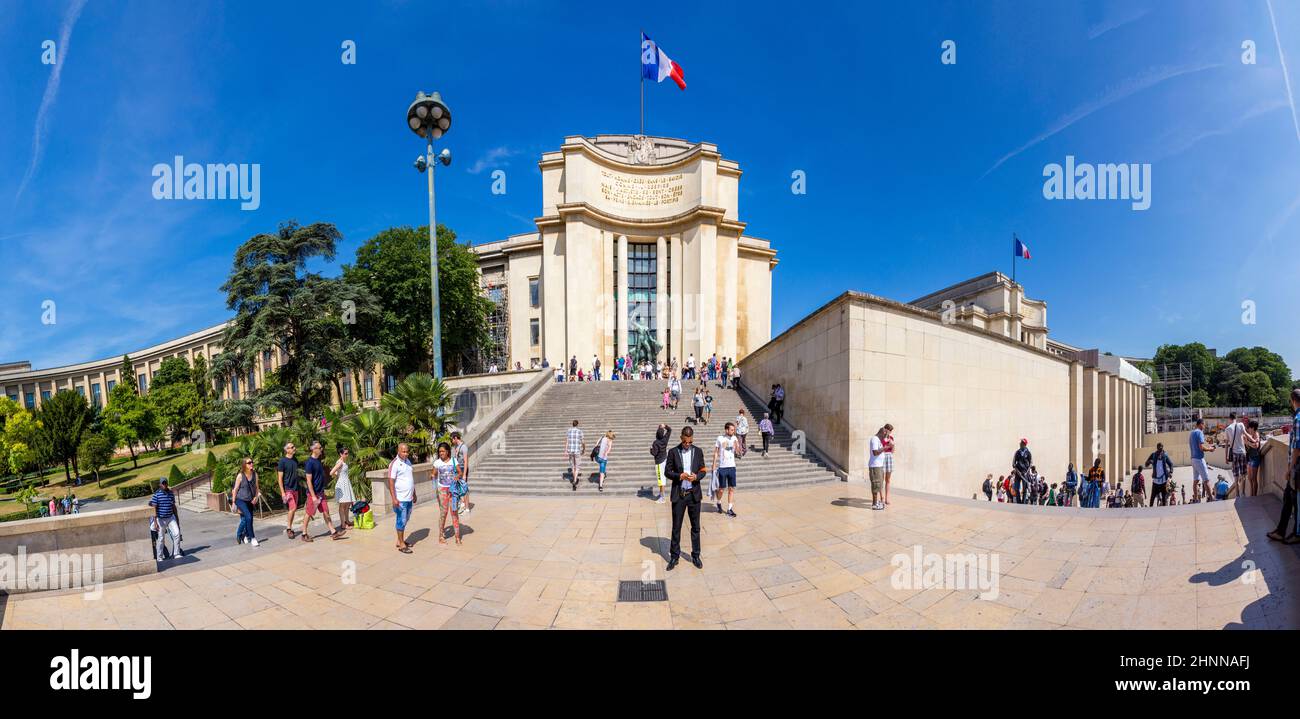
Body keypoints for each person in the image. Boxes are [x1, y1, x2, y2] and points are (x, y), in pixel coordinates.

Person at [664, 426, 707, 570]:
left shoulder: (698, 451)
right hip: (680, 494)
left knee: (696, 527)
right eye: (685, 442)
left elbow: (703, 470)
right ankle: (674, 557)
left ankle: (696, 555)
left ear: (692, 438)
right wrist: (679, 476)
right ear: (681, 438)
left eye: (690, 442)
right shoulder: (673, 452)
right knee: (676, 527)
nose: (687, 444)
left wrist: (697, 476)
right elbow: (667, 472)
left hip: (694, 494)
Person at [1267, 389, 1300, 543]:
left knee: (1294, 500)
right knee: (1289, 498)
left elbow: (1297, 448)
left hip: (1297, 467)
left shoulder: (1298, 418)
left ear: (1293, 401)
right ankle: (1282, 531)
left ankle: (1295, 533)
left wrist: (1288, 469)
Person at [301, 441, 346, 542]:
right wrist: (313, 496)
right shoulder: (309, 463)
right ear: (313, 449)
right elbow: (308, 481)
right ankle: (304, 534)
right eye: (319, 448)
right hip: (314, 494)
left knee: (326, 512)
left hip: (321, 492)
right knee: (309, 513)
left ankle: (333, 532)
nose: (321, 449)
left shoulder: (318, 461)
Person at [386, 443, 416, 553]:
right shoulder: (394, 464)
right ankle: (401, 544)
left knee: (406, 519)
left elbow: (410, 479)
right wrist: (394, 498)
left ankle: (400, 540)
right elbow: (391, 482)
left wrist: (414, 493)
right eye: (403, 451)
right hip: (400, 498)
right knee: (401, 520)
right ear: (398, 451)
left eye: (407, 451)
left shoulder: (408, 462)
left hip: (409, 497)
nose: (406, 453)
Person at [432, 442, 462, 545]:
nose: (441, 453)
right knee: (443, 513)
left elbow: (460, 472)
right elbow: (434, 474)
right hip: (442, 491)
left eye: (443, 451)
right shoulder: (437, 463)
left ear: (447, 451)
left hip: (453, 491)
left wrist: (457, 476)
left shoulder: (454, 461)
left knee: (454, 512)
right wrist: (432, 476)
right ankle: (441, 535)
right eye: (439, 451)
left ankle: (457, 537)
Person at [150, 478, 183, 560]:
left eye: (166, 483)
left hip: (171, 517)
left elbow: (174, 507)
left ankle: (176, 553)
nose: (165, 485)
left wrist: (177, 521)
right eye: (163, 483)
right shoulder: (156, 495)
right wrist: (156, 522)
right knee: (161, 538)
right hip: (160, 519)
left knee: (177, 534)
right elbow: (154, 509)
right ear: (160, 485)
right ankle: (159, 557)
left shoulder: (171, 493)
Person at [231, 457, 261, 546]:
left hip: (250, 500)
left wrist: (256, 497)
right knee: (248, 517)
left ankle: (243, 535)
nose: (251, 464)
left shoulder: (255, 474)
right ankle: (252, 538)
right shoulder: (240, 475)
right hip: (240, 500)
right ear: (245, 465)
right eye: (249, 463)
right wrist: (233, 502)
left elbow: (257, 488)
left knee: (246, 519)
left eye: (252, 462)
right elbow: (235, 489)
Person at [713, 421, 740, 517]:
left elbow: (738, 452)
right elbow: (716, 452)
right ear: (726, 430)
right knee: (721, 489)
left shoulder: (735, 438)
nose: (733, 431)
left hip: (732, 466)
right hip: (722, 467)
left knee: (731, 488)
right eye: (732, 430)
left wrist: (737, 447)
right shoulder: (720, 438)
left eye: (734, 430)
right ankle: (719, 502)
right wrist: (714, 464)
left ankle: (729, 509)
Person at [277, 442, 301, 539]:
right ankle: (288, 528)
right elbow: (279, 479)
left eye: (294, 446)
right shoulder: (282, 461)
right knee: (293, 508)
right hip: (288, 489)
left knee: (293, 509)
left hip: (296, 488)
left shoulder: (295, 460)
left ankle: (290, 527)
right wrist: (282, 492)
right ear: (287, 450)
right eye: (292, 447)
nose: (294, 448)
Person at [1189, 418, 1214, 502]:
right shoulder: (1199, 432)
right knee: (1206, 480)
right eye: (1204, 425)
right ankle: (1211, 498)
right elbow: (1201, 447)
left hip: (1193, 459)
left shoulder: (1192, 433)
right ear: (1201, 424)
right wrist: (1210, 449)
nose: (1204, 427)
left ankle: (1196, 499)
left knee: (1196, 480)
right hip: (1199, 459)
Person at [330, 447, 355, 529]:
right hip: (342, 484)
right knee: (342, 504)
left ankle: (347, 521)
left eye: (347, 453)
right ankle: (343, 524)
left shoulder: (343, 462)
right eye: (345, 453)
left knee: (347, 503)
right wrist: (338, 477)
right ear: (341, 454)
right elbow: (331, 472)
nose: (347, 455)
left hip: (346, 483)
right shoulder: (340, 462)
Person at [1224, 412, 1248, 495]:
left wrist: (1226, 457)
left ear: (1229, 419)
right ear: (1236, 418)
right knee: (1243, 474)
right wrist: (1253, 440)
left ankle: (1237, 494)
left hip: (1234, 454)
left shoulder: (1227, 429)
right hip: (1242, 452)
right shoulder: (1241, 424)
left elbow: (1227, 445)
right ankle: (1243, 493)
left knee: (1236, 475)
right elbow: (1246, 435)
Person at [450, 431, 471, 516]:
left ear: (455, 438)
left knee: (464, 488)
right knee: (458, 487)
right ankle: (462, 503)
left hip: (463, 469)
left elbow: (466, 461)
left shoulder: (464, 447)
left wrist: (465, 474)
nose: (451, 441)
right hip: (458, 469)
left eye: (452, 439)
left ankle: (467, 508)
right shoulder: (457, 447)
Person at [651, 424, 671, 504]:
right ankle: (661, 494)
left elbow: (654, 453)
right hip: (664, 460)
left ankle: (662, 498)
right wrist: (664, 426)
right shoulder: (665, 439)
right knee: (663, 479)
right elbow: (670, 430)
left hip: (659, 462)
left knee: (661, 480)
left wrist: (651, 450)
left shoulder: (655, 443)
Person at [868, 426, 888, 510]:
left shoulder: (878, 440)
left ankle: (876, 503)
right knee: (876, 485)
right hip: (875, 466)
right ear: (881, 433)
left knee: (879, 484)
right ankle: (874, 504)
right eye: (884, 435)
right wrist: (884, 448)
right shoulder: (874, 439)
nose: (884, 437)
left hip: (879, 466)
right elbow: (875, 452)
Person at [1243, 419, 1263, 497]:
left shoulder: (1256, 434)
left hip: (1255, 458)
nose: (1248, 429)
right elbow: (1249, 447)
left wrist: (1247, 442)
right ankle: (1252, 494)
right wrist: (1247, 442)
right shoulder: (1250, 436)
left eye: (1249, 428)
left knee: (1254, 478)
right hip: (1250, 458)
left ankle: (1254, 495)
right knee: (1250, 478)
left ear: (1252, 428)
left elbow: (1256, 446)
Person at [566, 419, 585, 491]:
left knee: (572, 466)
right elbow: (583, 442)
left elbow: (567, 441)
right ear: (577, 424)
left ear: (572, 424)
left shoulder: (569, 431)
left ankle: (574, 479)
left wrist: (565, 450)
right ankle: (574, 480)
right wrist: (584, 448)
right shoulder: (580, 431)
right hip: (577, 451)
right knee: (577, 466)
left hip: (570, 451)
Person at [1012, 439, 1032, 505]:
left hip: (1025, 473)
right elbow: (1013, 463)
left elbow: (1031, 463)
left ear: (1024, 444)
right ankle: (1019, 502)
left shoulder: (1028, 453)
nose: (1020, 443)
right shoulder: (1017, 452)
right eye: (1020, 442)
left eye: (1021, 443)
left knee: (1024, 489)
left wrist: (1027, 472)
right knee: (1016, 488)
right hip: (1018, 473)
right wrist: (1017, 471)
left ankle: (1023, 503)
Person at [881, 424, 895, 506]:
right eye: (889, 430)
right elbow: (880, 449)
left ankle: (887, 498)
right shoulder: (881, 438)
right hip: (882, 457)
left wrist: (893, 445)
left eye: (891, 430)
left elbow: (893, 451)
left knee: (888, 480)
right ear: (885, 429)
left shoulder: (891, 438)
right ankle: (882, 497)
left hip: (889, 457)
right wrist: (887, 445)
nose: (889, 432)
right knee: (881, 479)